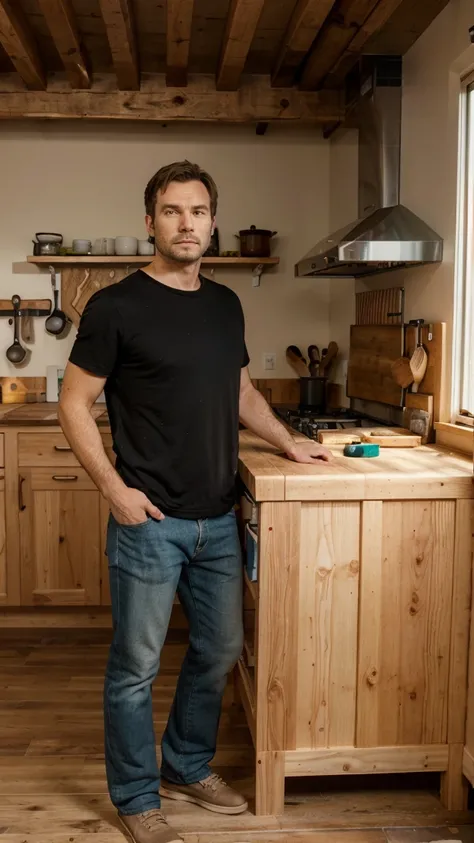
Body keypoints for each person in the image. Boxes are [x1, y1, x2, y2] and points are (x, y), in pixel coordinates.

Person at [58, 160, 332, 843]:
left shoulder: (224, 304)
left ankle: (185, 761)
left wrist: (290, 441)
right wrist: (115, 490)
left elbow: (241, 393)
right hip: (149, 522)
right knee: (135, 667)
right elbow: (72, 403)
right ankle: (134, 794)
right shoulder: (115, 306)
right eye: (173, 211)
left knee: (219, 648)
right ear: (149, 222)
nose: (187, 223)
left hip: (218, 517)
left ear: (213, 222)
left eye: (199, 211)